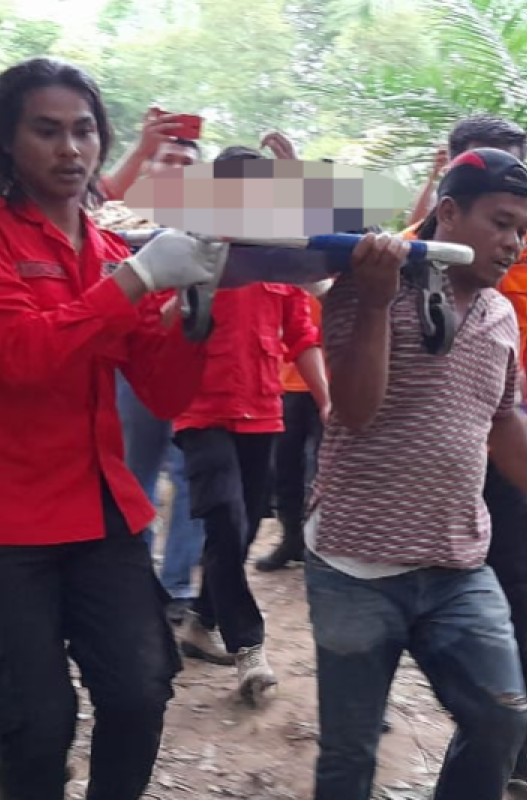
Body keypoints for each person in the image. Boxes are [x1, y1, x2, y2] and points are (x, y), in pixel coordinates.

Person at [0, 57, 226, 800]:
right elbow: (21, 357)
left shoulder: (110, 249)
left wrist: (198, 312)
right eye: (47, 131)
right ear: (5, 141)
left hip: (99, 512)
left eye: (84, 130)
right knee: (37, 719)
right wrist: (136, 283)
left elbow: (161, 389)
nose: (70, 149)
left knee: (140, 691)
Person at [307, 149, 527, 800]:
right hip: (357, 565)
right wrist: (379, 305)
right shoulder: (365, 285)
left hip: (456, 565)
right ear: (448, 213)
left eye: (523, 228)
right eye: (500, 222)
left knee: (501, 717)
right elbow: (352, 411)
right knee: (348, 755)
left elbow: (500, 420)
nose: (515, 242)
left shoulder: (498, 315)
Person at [403, 114, 527, 784]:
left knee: (514, 583)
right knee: (401, 584)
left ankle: (520, 744)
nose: (510, 228)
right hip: (424, 444)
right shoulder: (410, 248)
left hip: (502, 439)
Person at [172, 144, 328, 705]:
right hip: (200, 410)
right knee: (226, 520)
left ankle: (201, 620)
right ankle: (250, 648)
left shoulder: (277, 258)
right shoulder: (192, 250)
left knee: (237, 531)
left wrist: (327, 399)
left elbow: (302, 336)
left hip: (262, 411)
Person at [96, 117, 206, 620]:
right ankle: (134, 577)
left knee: (190, 479)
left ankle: (178, 589)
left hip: (190, 358)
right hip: (132, 359)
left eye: (187, 163)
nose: (179, 170)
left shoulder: (209, 224)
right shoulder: (121, 221)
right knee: (134, 470)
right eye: (169, 161)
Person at [257, 286, 326, 572]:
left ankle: (318, 544)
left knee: (324, 470)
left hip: (332, 381)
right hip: (287, 381)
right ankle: (291, 538)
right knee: (285, 467)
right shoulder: (290, 266)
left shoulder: (349, 267)